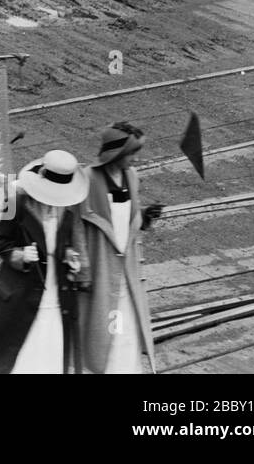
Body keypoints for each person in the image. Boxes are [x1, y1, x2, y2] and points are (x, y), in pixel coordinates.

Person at [0, 150, 90, 374]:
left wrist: (68, 254)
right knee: (17, 348)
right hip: (20, 291)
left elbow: (60, 241)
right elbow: (1, 240)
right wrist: (19, 255)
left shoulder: (67, 210)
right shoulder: (16, 202)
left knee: (50, 345)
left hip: (56, 292)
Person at [76, 124, 161, 374]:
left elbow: (127, 219)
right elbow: (76, 226)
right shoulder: (88, 179)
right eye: (133, 152)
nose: (136, 158)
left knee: (127, 329)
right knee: (102, 331)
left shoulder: (131, 176)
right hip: (101, 268)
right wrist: (82, 269)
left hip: (127, 270)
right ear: (116, 153)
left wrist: (144, 217)